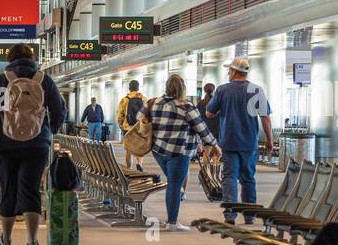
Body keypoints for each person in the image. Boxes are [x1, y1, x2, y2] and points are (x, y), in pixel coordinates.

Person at [0, 43, 65, 245]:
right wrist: (49, 130)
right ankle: (32, 242)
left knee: (8, 190)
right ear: (31, 57)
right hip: (37, 144)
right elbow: (59, 110)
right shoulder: (43, 80)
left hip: (6, 144)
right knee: (30, 190)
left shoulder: (2, 80)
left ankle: (7, 241)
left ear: (10, 59)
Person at [148, 75, 221, 232]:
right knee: (174, 185)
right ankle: (172, 222)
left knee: (174, 183)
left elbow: (139, 117)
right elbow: (201, 128)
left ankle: (172, 218)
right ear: (182, 89)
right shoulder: (186, 106)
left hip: (159, 151)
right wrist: (215, 145)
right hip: (178, 151)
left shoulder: (155, 102)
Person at [206, 56, 273, 225]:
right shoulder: (257, 90)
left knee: (229, 177)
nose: (228, 72)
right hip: (249, 142)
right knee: (248, 178)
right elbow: (265, 118)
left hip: (229, 141)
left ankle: (230, 214)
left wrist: (223, 111)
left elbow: (209, 113)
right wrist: (270, 141)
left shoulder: (222, 90)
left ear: (235, 71)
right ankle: (249, 215)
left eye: (229, 70)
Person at [116, 80, 149, 172]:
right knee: (139, 149)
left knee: (128, 150)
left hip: (128, 128)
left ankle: (129, 169)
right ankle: (139, 164)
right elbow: (147, 114)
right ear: (138, 88)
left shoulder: (125, 100)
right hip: (140, 127)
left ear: (129, 88)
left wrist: (121, 124)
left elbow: (119, 114)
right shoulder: (144, 99)